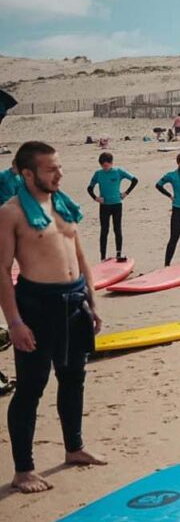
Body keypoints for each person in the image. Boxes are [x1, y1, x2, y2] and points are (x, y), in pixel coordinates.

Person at [1, 141, 107, 492]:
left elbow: (80, 256)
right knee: (31, 388)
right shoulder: (11, 213)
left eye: (59, 167)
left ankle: (74, 447)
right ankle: (23, 470)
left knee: (73, 378)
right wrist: (15, 322)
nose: (59, 174)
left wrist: (92, 300)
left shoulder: (62, 204)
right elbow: (2, 270)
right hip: (37, 307)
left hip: (74, 303)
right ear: (28, 174)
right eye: (51, 169)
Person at [86, 153, 137, 261]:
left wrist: (126, 193)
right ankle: (102, 257)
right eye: (103, 166)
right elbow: (89, 188)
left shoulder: (118, 172)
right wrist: (95, 198)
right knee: (104, 230)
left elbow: (134, 180)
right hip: (104, 206)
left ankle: (118, 253)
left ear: (111, 163)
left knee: (117, 229)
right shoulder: (98, 174)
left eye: (106, 165)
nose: (105, 168)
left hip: (117, 204)